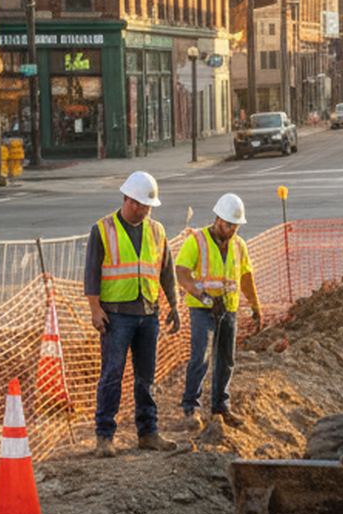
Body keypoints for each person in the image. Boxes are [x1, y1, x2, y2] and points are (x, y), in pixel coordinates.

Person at [84, 170, 181, 458]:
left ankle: (148, 433)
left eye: (149, 206)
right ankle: (104, 436)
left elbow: (166, 271)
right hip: (117, 315)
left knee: (146, 377)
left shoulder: (156, 230)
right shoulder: (103, 229)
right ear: (128, 200)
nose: (145, 211)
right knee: (112, 375)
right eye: (141, 205)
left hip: (148, 313)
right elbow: (91, 274)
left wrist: (174, 305)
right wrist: (95, 309)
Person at [175, 193, 262, 430]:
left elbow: (245, 277)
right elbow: (182, 272)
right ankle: (191, 406)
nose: (232, 229)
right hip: (203, 309)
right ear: (217, 219)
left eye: (235, 225)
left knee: (227, 360)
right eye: (228, 224)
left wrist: (255, 305)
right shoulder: (197, 241)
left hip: (229, 309)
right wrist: (202, 296)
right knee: (200, 357)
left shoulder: (239, 245)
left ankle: (220, 407)